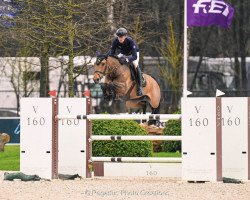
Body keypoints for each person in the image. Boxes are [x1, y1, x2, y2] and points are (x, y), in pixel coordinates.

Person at [108, 27, 143, 96]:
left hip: (134, 53)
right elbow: (111, 52)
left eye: (122, 37)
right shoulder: (115, 41)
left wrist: (126, 59)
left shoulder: (130, 41)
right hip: (124, 53)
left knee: (135, 65)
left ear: (125, 36)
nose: (120, 38)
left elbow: (134, 56)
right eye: (119, 37)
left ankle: (139, 87)